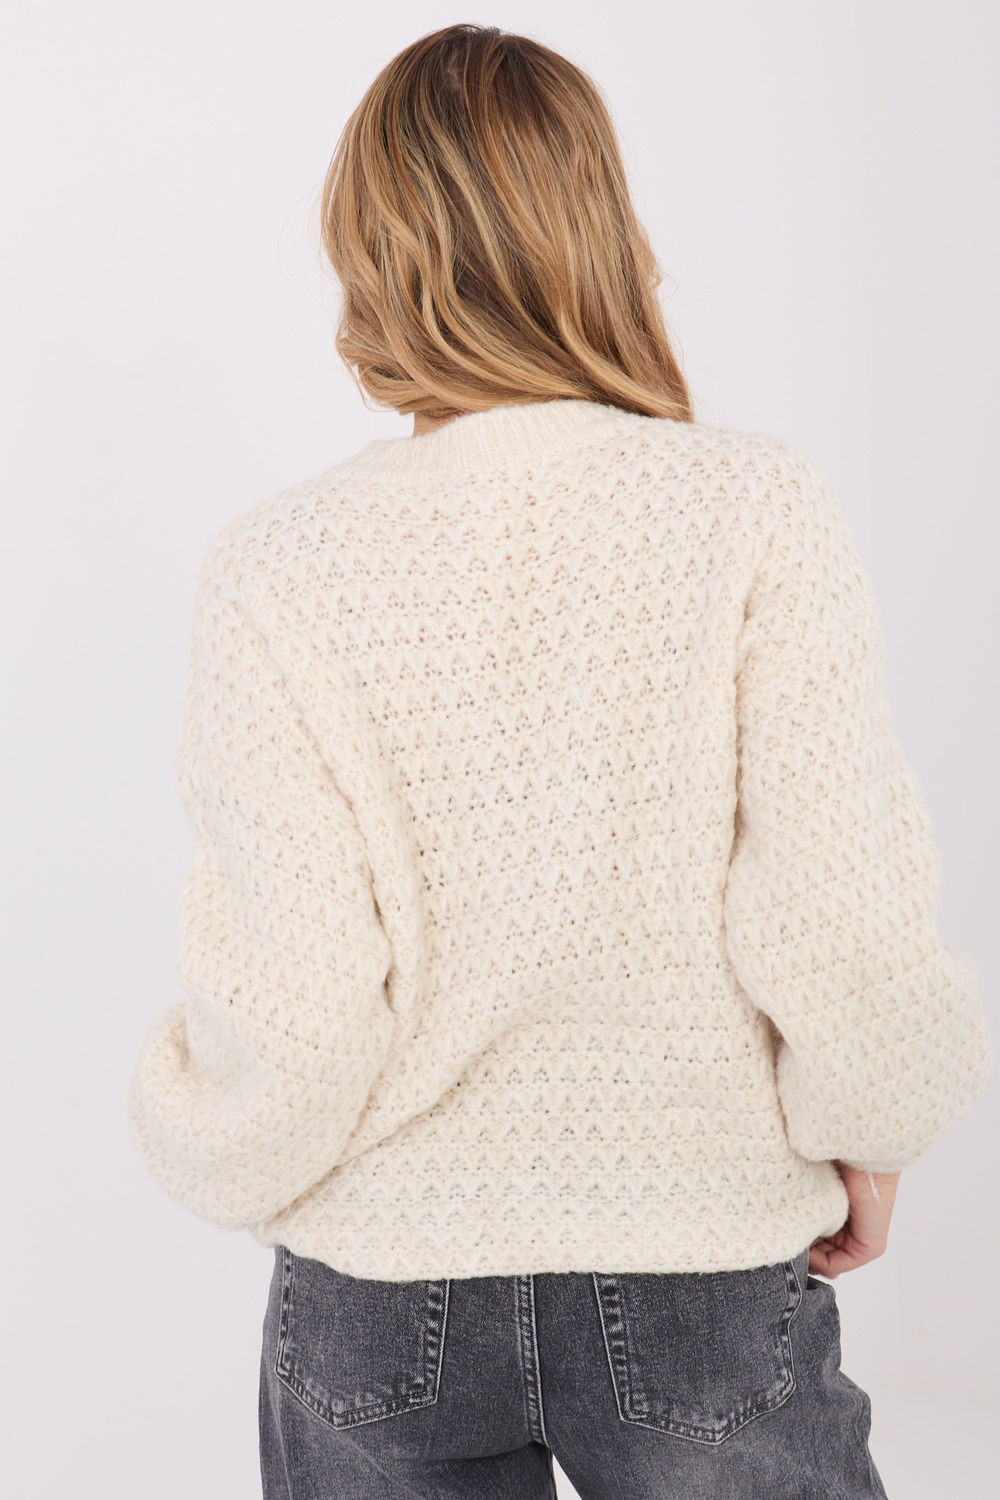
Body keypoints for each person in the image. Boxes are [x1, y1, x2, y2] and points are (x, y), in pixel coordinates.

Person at [125, 22, 993, 1499]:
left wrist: (192, 1125)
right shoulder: (754, 510)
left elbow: (297, 1005)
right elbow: (837, 900)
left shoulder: (277, 567)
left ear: (371, 257)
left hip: (380, 1280)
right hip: (696, 1254)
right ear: (603, 232)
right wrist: (871, 1131)